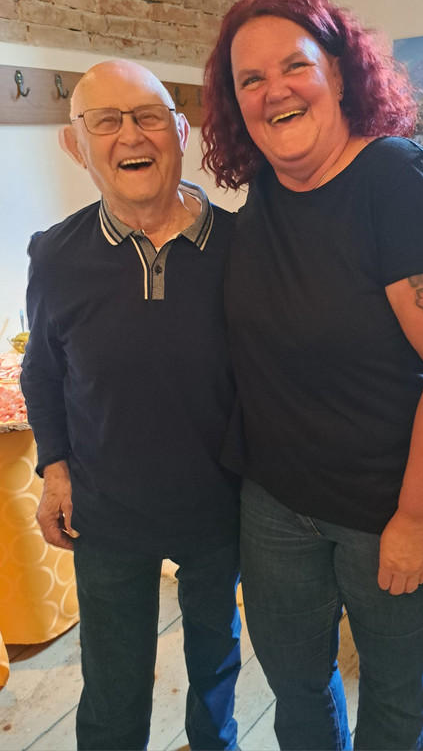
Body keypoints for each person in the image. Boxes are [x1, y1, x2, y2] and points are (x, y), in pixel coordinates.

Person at [201, 0, 423, 751]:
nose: (273, 90)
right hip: (278, 504)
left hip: (394, 508)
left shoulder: (395, 177)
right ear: (235, 104)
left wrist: (415, 520)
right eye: (250, 79)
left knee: (391, 699)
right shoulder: (263, 194)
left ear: (338, 75)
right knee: (295, 683)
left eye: (294, 67)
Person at [21, 59, 241, 751]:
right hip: (106, 508)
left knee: (217, 664)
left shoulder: (243, 248)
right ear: (75, 144)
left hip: (223, 505)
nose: (130, 135)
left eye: (148, 116)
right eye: (105, 121)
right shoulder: (55, 255)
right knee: (112, 685)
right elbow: (42, 371)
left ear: (181, 133)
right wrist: (54, 470)